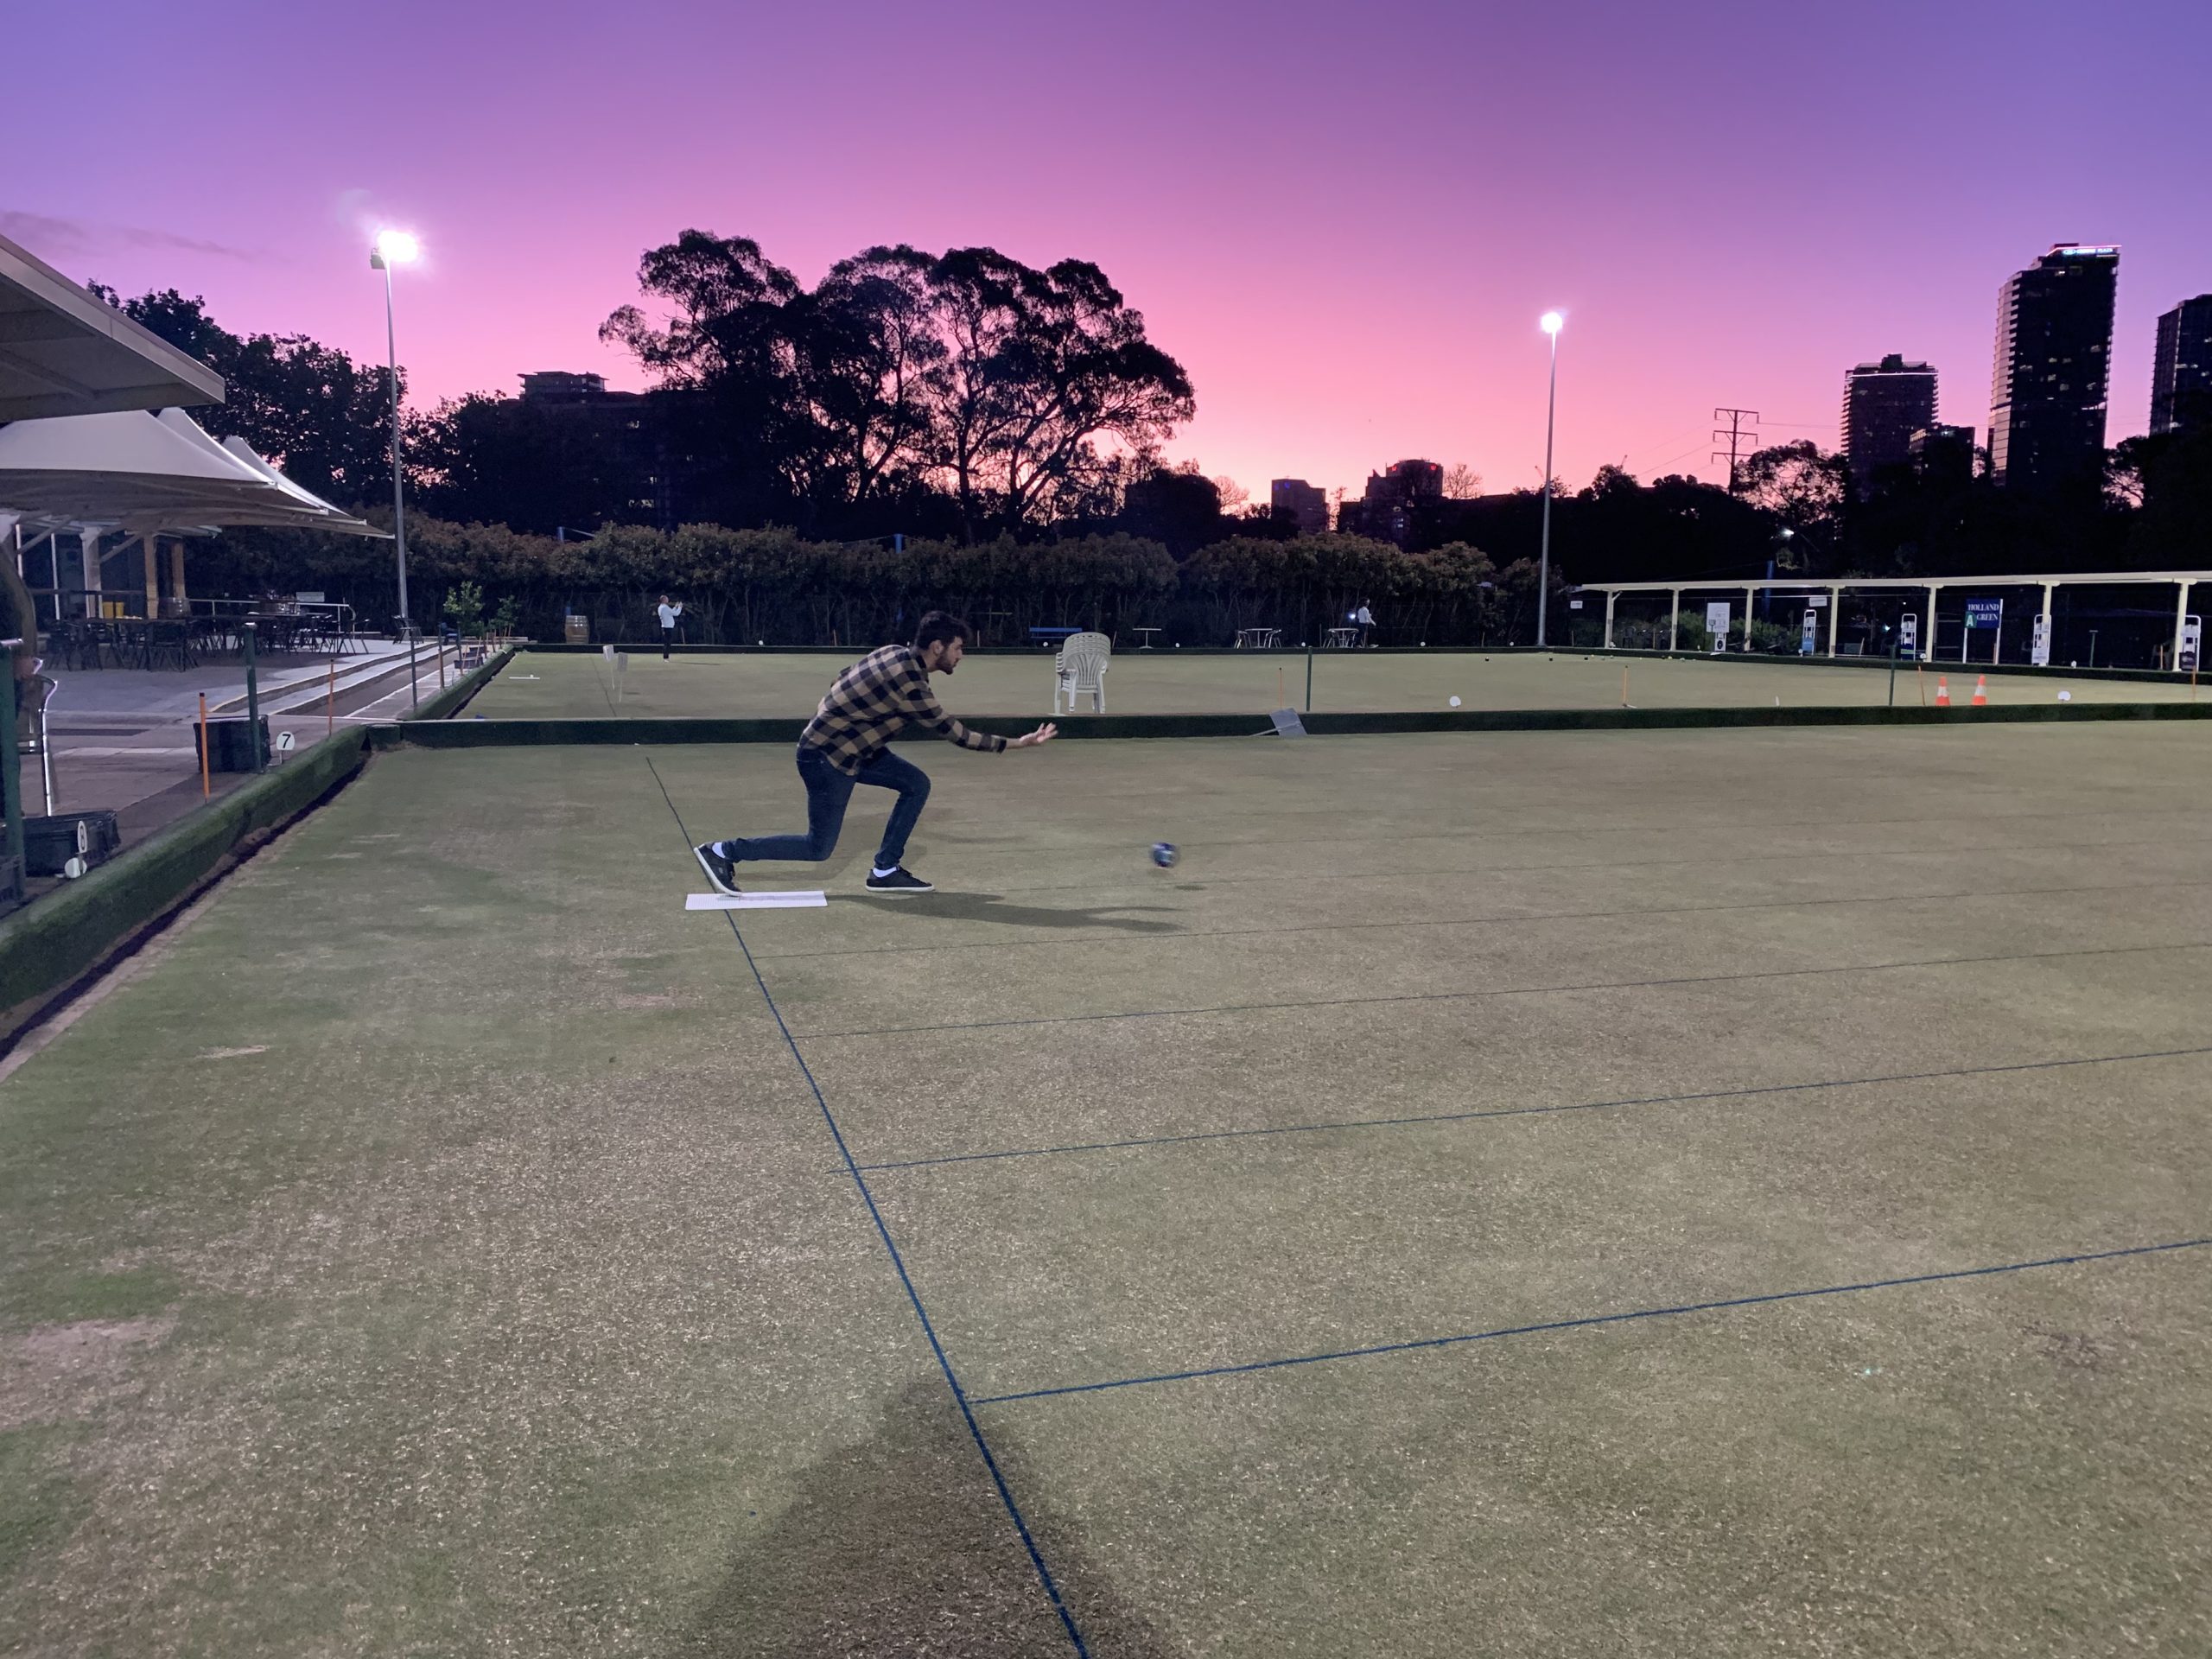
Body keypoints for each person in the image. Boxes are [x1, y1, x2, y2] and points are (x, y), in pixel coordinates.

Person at [693, 612, 1056, 895]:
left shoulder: (891, 652)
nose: (961, 655)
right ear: (937, 647)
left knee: (916, 783)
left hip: (854, 752)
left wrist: (833, 717)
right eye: (958, 648)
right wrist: (1019, 743)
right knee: (818, 848)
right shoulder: (912, 686)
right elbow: (958, 735)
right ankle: (722, 851)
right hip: (826, 759)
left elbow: (840, 678)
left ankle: (885, 870)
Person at [656, 594, 684, 658]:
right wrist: (680, 607)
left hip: (665, 627)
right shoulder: (665, 607)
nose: (668, 600)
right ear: (664, 600)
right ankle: (666, 657)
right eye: (667, 599)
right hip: (667, 628)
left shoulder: (661, 607)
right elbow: (676, 614)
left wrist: (675, 607)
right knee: (667, 643)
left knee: (667, 643)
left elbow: (671, 612)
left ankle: (666, 656)